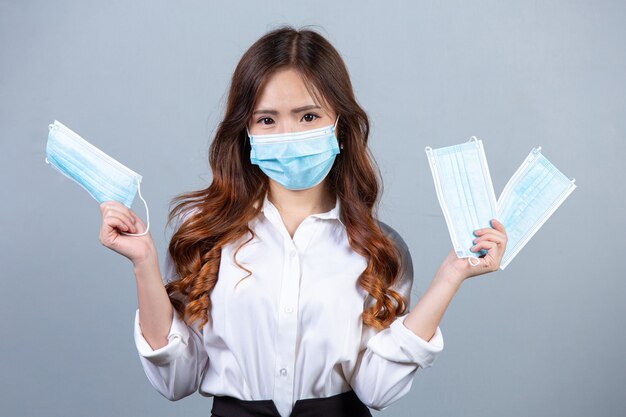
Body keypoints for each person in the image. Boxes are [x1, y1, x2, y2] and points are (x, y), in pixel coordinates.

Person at [99, 25, 508, 417]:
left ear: (340, 126)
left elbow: (377, 389)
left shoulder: (380, 249)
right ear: (246, 132)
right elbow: (175, 381)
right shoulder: (204, 236)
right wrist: (144, 265)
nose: (288, 134)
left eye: (308, 116)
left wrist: (449, 278)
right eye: (267, 119)